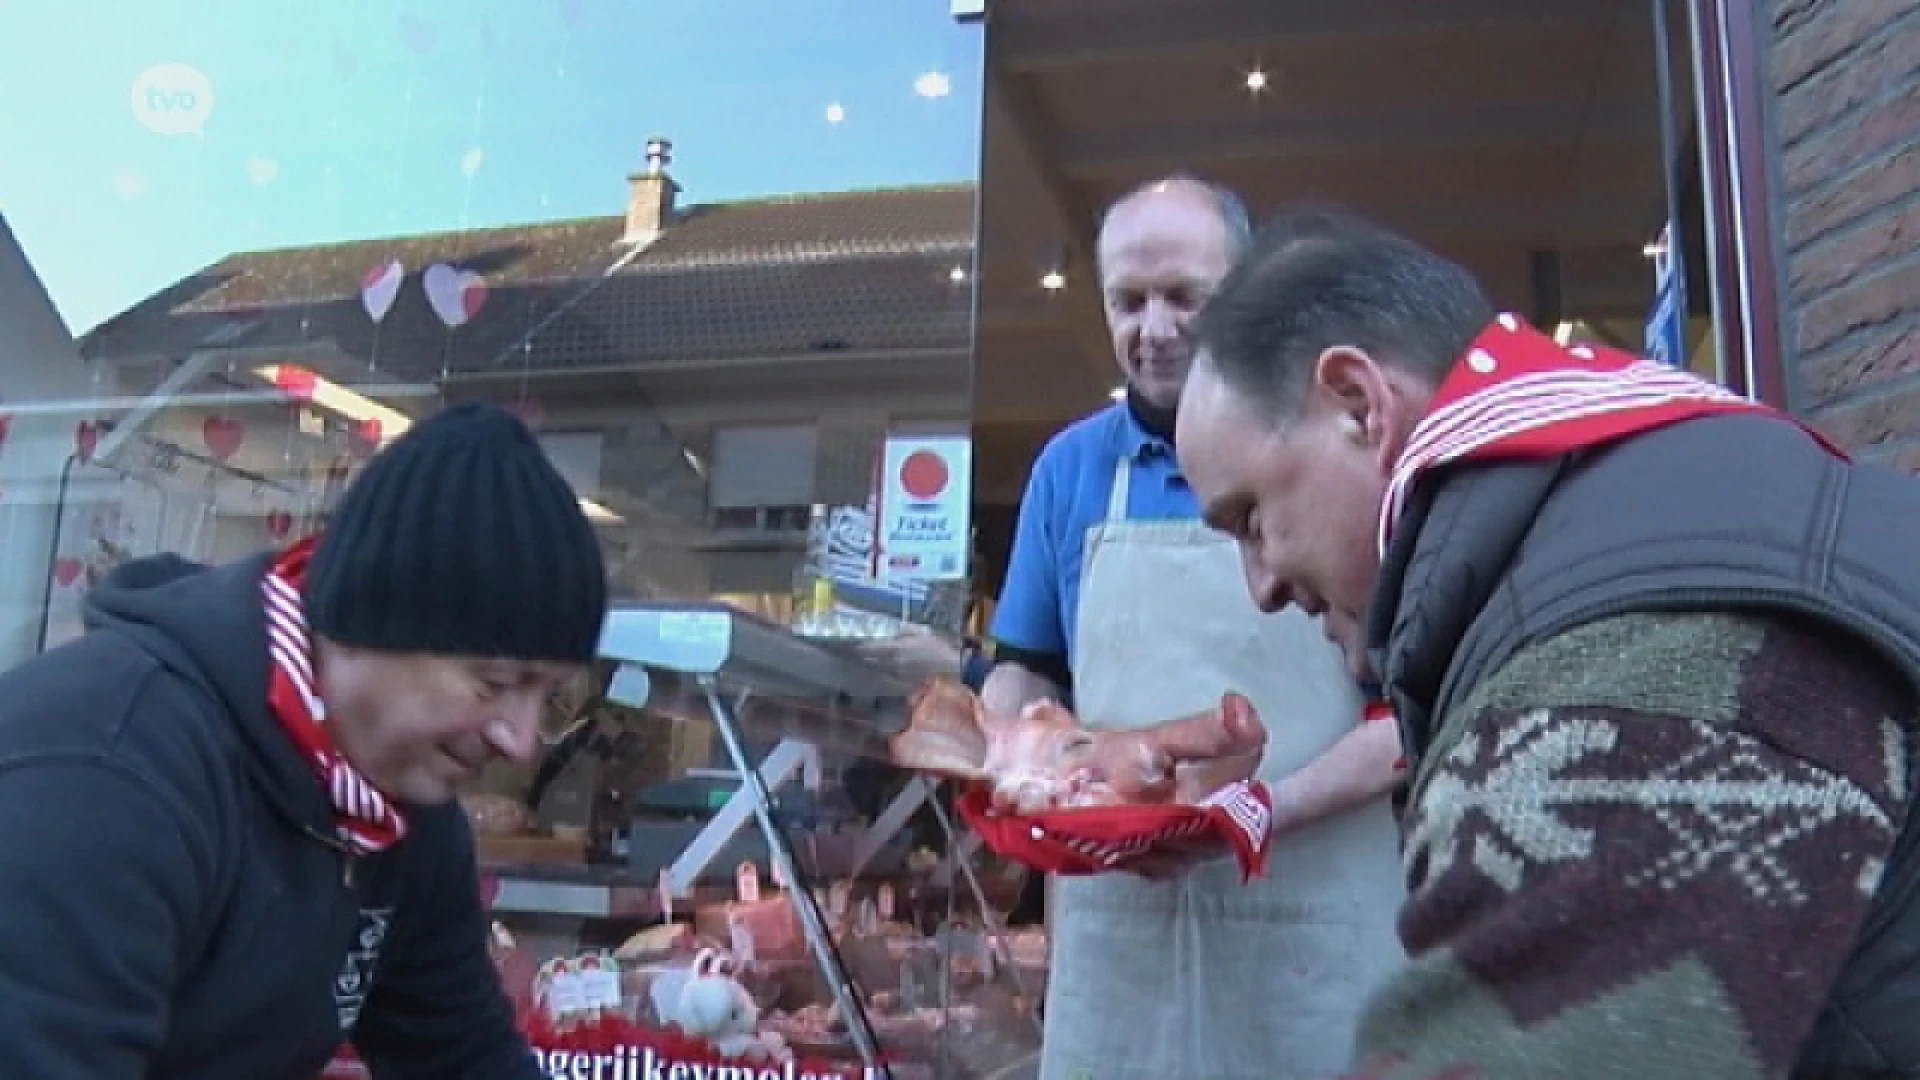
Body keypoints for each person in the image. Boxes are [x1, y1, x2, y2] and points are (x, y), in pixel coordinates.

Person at [1175, 205, 1920, 1078]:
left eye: (1251, 519)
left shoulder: (1615, 664)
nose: (1259, 587)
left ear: (1358, 406)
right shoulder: (1669, 502)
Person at [0, 403, 607, 1079]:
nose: (522, 742)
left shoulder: (402, 816)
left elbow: (465, 1056)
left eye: (547, 696)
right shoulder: (107, 773)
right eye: (493, 683)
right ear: (371, 625)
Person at [981, 176, 1409, 1080]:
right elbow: (1025, 671)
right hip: (1120, 938)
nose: (1156, 328)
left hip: (1314, 926)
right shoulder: (1071, 469)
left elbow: (1409, 721)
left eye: (1185, 296)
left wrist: (1255, 811)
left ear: (1247, 290)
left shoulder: (1342, 450)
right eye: (1129, 302)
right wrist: (1013, 754)